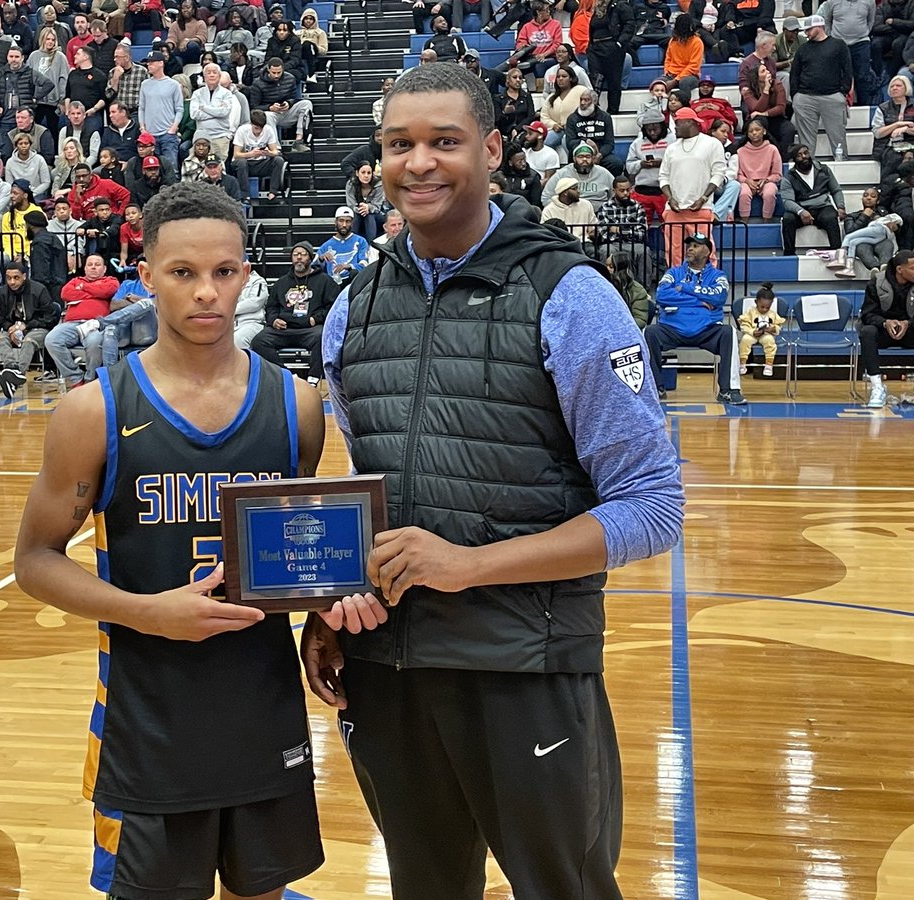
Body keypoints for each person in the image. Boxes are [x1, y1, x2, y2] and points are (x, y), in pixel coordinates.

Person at [311, 60, 683, 900]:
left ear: (493, 148)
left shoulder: (569, 295)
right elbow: (371, 493)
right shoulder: (352, 308)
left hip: (528, 667)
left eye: (445, 141)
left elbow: (653, 508)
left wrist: (468, 565)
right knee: (425, 886)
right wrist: (329, 602)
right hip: (388, 668)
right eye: (400, 144)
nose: (421, 163)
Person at [14, 177, 335, 900]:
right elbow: (32, 562)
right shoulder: (92, 412)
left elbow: (304, 554)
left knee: (263, 891)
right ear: (146, 276)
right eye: (183, 273)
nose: (205, 293)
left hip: (262, 706)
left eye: (223, 272)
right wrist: (147, 611)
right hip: (146, 717)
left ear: (246, 275)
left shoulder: (298, 406)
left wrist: (322, 620)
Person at [647, 232, 744, 403]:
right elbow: (662, 295)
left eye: (696, 246)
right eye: (689, 246)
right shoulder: (673, 272)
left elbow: (719, 298)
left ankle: (729, 390)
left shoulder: (718, 276)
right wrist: (699, 302)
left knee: (729, 332)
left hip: (706, 329)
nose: (690, 249)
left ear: (707, 252)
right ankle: (656, 387)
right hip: (672, 328)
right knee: (650, 332)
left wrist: (685, 287)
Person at [250, 239, 337, 385]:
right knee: (259, 341)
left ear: (310, 257)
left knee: (323, 337)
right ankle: (286, 376)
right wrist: (274, 320)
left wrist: (316, 319)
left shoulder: (325, 281)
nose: (299, 258)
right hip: (284, 329)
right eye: (295, 254)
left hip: (310, 329)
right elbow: (271, 307)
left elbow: (332, 307)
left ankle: (313, 378)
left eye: (303, 254)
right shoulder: (282, 282)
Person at [659, 107, 724, 266]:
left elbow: (719, 174)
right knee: (674, 250)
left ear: (690, 122)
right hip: (674, 209)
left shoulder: (711, 143)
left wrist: (703, 198)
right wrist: (670, 198)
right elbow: (663, 177)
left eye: (678, 123)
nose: (674, 127)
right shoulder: (671, 148)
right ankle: (677, 282)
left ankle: (708, 282)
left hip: (700, 208)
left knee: (704, 249)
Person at [47, 253, 121, 388]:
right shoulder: (75, 280)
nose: (93, 268)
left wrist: (83, 288)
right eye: (90, 265)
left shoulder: (111, 280)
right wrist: (95, 292)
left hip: (96, 324)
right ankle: (75, 378)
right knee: (51, 340)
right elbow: (65, 293)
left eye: (97, 265)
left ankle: (90, 381)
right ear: (85, 268)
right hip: (71, 324)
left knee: (95, 342)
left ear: (104, 269)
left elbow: (106, 291)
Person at [791, 15, 853, 157]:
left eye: (808, 30)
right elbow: (795, 73)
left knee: (838, 136)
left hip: (832, 96)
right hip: (805, 97)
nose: (806, 33)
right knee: (806, 141)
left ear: (819, 27)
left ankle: (842, 166)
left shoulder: (838, 45)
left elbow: (848, 70)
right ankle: (806, 167)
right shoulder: (803, 49)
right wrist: (796, 96)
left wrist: (842, 92)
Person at [858, 250, 914, 407]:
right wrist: (885, 322)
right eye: (913, 268)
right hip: (884, 331)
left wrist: (908, 323)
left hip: (909, 330)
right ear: (900, 270)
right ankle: (877, 387)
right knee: (867, 331)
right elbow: (867, 315)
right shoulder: (876, 283)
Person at [0, 260, 57, 397]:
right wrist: (11, 328)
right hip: (13, 329)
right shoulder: (2, 292)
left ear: (24, 276)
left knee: (29, 340)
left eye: (16, 278)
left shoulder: (39, 289)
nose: (12, 282)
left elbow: (50, 318)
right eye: (8, 278)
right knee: (0, 337)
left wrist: (26, 326)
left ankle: (17, 375)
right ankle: (11, 368)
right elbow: (0, 320)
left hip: (38, 328)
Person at [780, 144, 846, 256]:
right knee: (788, 219)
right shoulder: (789, 177)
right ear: (794, 159)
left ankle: (837, 254)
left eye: (806, 153)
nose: (804, 156)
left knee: (831, 217)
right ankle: (789, 255)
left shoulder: (823, 169)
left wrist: (840, 206)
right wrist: (801, 211)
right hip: (801, 208)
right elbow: (787, 201)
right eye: (799, 155)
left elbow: (836, 190)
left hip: (823, 207)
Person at [0, 47, 55, 157]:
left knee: (25, 150)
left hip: (24, 120)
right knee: (6, 153)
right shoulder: (0, 72)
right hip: (6, 119)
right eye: (11, 57)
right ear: (7, 58)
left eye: (17, 57)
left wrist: (35, 97)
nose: (14, 59)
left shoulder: (30, 72)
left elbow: (49, 84)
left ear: (22, 58)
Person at [249, 58, 314, 153]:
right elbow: (254, 107)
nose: (276, 75)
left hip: (286, 112)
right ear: (268, 70)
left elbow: (295, 98)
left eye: (279, 72)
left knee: (306, 104)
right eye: (273, 73)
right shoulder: (258, 83)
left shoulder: (290, 78)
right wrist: (269, 107)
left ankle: (298, 141)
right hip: (270, 114)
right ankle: (276, 148)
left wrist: (289, 103)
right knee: (267, 115)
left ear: (283, 70)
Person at [821, 0, 876, 106]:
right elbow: (827, 21)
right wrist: (832, 39)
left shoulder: (869, 1)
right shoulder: (831, 1)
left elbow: (871, 21)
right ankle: (837, 105)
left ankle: (864, 106)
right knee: (837, 76)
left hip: (861, 42)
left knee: (863, 77)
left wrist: (863, 34)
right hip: (838, 43)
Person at [586, 0, 634, 114]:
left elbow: (630, 24)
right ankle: (593, 110)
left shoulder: (621, 5)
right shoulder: (597, 7)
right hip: (595, 47)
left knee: (614, 81)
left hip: (612, 46)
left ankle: (613, 111)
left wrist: (620, 43)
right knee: (595, 79)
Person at [625, 109, 672, 223]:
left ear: (662, 127)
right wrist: (641, 163)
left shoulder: (673, 140)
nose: (652, 133)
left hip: (666, 192)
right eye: (649, 130)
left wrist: (662, 163)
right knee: (640, 226)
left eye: (655, 129)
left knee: (669, 226)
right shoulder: (637, 143)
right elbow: (629, 167)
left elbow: (680, 164)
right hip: (642, 191)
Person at [736, 119, 782, 219]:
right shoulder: (740, 151)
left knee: (769, 193)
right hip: (747, 182)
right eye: (751, 131)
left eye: (757, 130)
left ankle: (767, 220)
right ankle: (744, 223)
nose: (754, 133)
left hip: (766, 181)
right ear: (747, 134)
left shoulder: (772, 149)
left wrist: (766, 180)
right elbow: (738, 174)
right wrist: (746, 180)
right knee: (743, 194)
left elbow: (777, 174)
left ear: (764, 131)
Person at [828, 212, 902, 274]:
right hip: (881, 236)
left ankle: (841, 260)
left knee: (848, 237)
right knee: (853, 242)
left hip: (878, 229)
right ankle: (849, 268)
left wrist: (890, 221)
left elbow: (897, 220)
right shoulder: (855, 215)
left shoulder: (883, 219)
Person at [737, 281, 784, 376]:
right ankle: (742, 363)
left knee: (770, 341)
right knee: (745, 340)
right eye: (762, 307)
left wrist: (773, 329)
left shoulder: (773, 314)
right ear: (756, 302)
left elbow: (779, 326)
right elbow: (744, 325)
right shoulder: (750, 312)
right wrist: (752, 331)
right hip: (752, 334)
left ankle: (769, 364)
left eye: (768, 307)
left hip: (766, 334)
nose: (764, 309)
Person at [317, 208, 371, 285]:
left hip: (354, 283)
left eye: (348, 221)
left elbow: (365, 264)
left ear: (352, 223)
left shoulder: (361, 241)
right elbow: (313, 267)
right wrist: (321, 258)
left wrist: (348, 266)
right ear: (335, 222)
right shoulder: (326, 245)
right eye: (341, 221)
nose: (344, 225)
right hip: (332, 285)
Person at [606, 251, 651, 328]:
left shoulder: (637, 291)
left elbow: (640, 320)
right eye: (606, 265)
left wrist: (620, 326)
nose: (607, 269)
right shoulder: (604, 285)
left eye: (611, 267)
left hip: (626, 330)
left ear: (620, 271)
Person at [663, 13, 704, 95]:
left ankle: (685, 106)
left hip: (691, 76)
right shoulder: (672, 41)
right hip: (672, 74)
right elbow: (668, 59)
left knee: (684, 83)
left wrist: (675, 80)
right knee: (658, 84)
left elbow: (693, 67)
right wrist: (666, 72)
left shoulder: (697, 42)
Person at [346, 162, 387, 241]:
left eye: (369, 173)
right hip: (357, 214)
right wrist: (361, 209)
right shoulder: (351, 184)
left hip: (377, 215)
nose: (366, 176)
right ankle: (353, 243)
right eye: (363, 172)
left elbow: (377, 207)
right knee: (356, 216)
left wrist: (368, 207)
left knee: (369, 215)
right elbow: (351, 204)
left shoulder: (379, 184)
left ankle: (370, 245)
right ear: (357, 173)